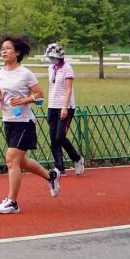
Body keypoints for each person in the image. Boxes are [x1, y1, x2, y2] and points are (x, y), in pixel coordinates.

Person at [0, 35, 61, 214]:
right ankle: (51, 176)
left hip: (24, 121)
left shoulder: (25, 73)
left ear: (17, 52)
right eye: (2, 49)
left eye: (8, 48)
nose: (4, 51)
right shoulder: (0, 73)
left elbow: (39, 94)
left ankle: (12, 202)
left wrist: (23, 100)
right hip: (9, 120)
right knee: (21, 161)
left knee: (11, 159)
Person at [44, 43, 85, 177]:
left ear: (60, 57)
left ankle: (77, 159)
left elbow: (68, 89)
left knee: (60, 137)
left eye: (53, 57)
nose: (51, 59)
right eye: (50, 57)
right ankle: (59, 167)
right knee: (53, 138)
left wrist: (65, 107)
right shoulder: (50, 68)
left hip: (65, 106)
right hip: (52, 106)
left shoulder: (67, 68)